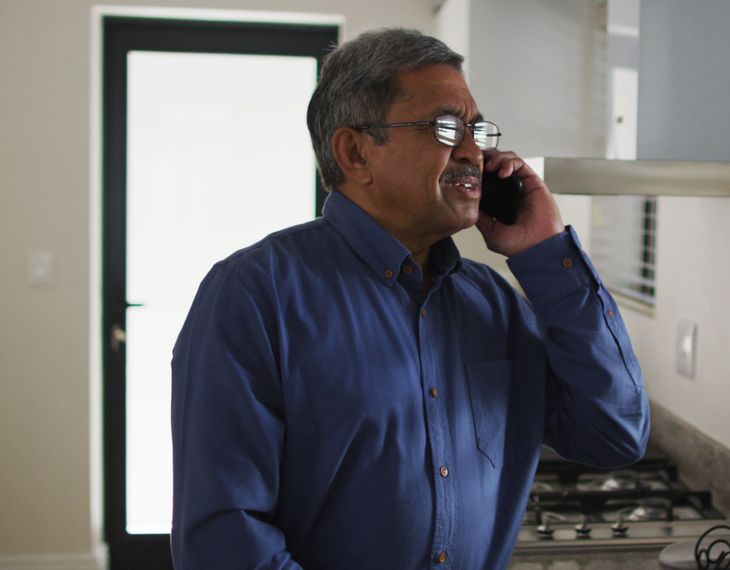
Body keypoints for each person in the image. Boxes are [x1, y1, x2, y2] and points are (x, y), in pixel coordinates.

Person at [171, 27, 649, 569]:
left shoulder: (493, 303)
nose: (473, 152)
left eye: (476, 130)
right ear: (355, 153)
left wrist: (548, 254)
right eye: (446, 128)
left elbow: (614, 436)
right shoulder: (253, 297)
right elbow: (225, 540)